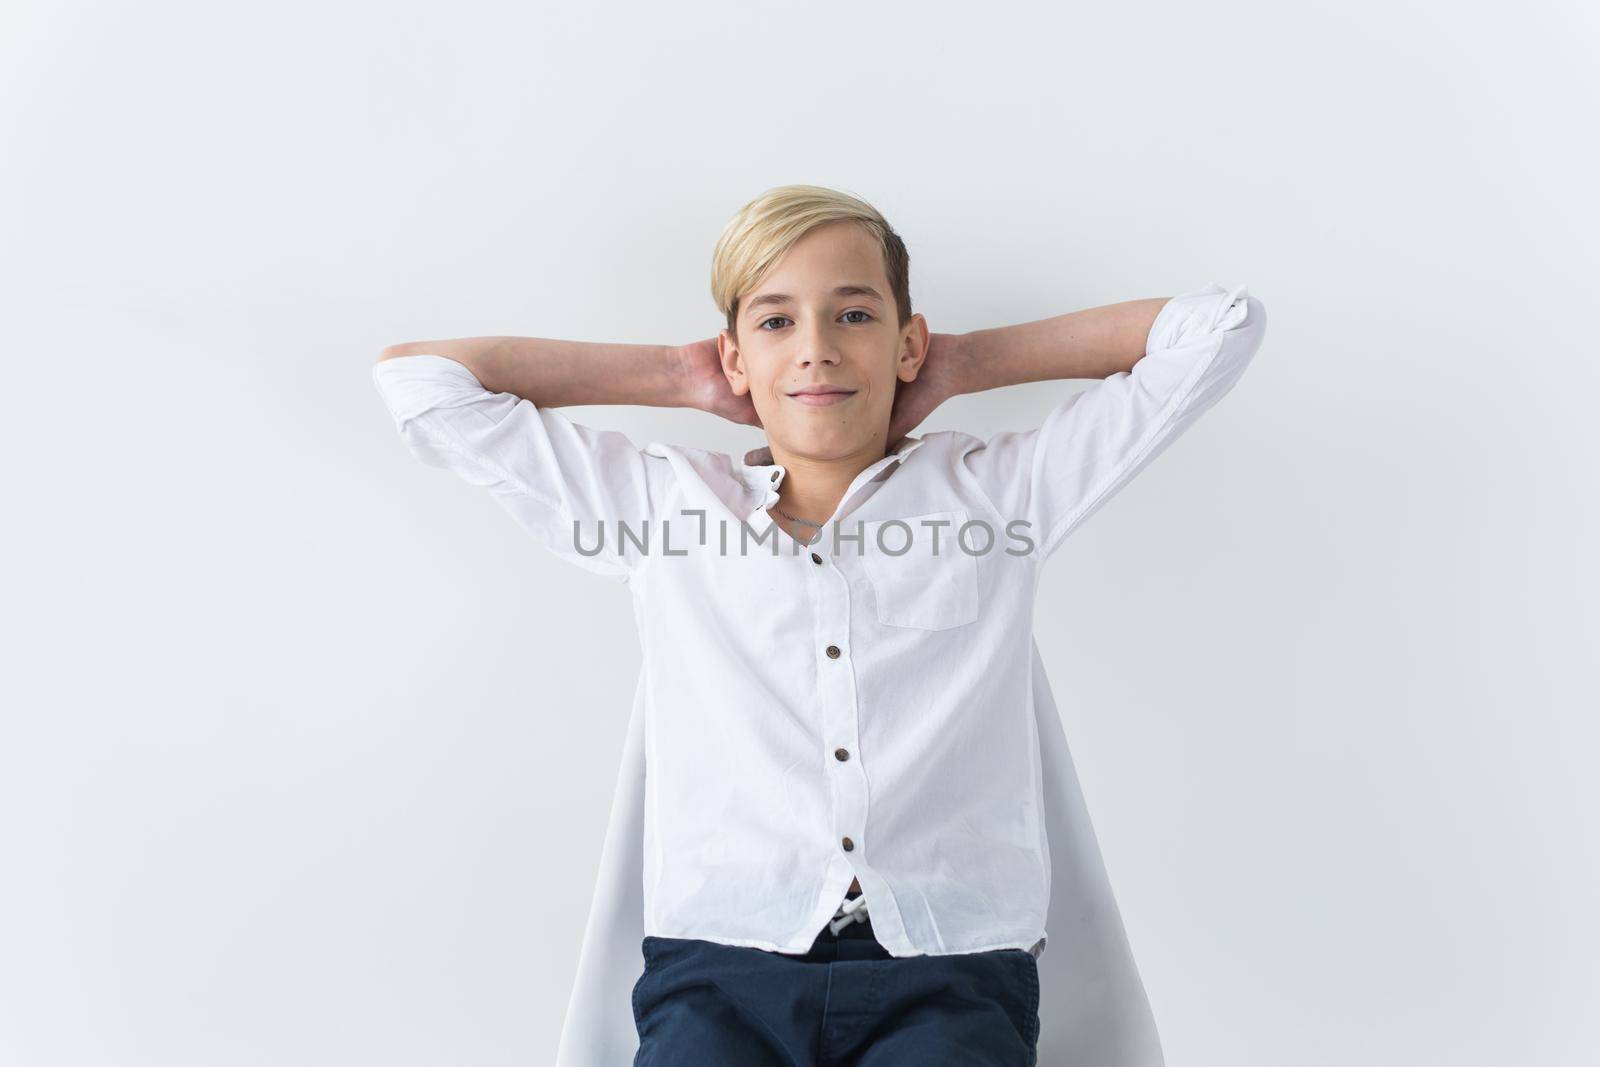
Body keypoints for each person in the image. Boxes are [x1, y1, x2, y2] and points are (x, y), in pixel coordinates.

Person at [372, 184, 1268, 1066]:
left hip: (948, 969)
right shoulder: (662, 510)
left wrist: (959, 363)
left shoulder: (1001, 499)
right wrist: (679, 376)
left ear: (904, 338)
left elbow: (1217, 328)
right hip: (720, 968)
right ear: (735, 359)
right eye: (774, 323)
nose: (816, 351)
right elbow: (421, 381)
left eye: (853, 316)